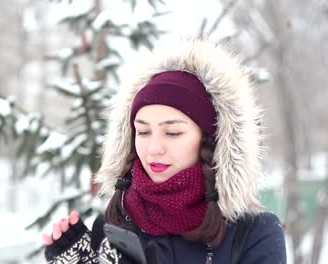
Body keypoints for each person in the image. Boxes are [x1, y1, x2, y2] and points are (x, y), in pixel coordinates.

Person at [42, 38, 287, 263]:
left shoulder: (255, 233)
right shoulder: (111, 227)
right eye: (143, 132)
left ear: (209, 139)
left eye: (172, 133)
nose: (154, 149)